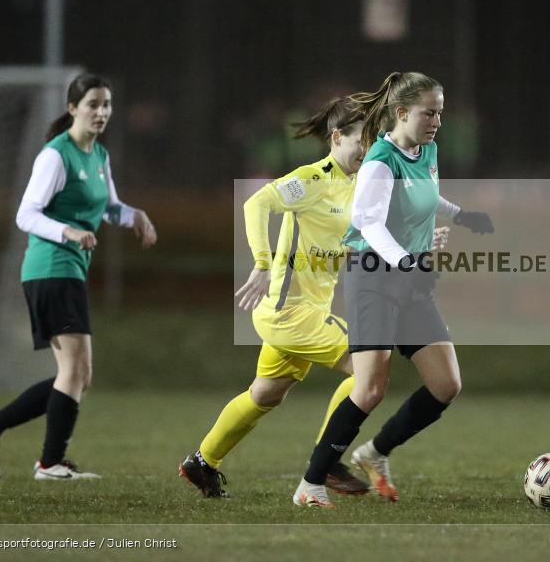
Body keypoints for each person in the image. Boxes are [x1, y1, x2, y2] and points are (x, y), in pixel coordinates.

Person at [178, 96, 450, 498]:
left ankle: (202, 462)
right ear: (337, 137)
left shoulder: (360, 183)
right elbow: (257, 203)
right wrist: (262, 260)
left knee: (265, 394)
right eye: (362, 139)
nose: (368, 148)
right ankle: (327, 463)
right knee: (367, 371)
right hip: (288, 311)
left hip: (307, 313)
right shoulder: (311, 179)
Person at [293, 72, 494, 508]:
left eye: (440, 111)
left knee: (446, 384)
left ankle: (375, 453)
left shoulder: (427, 149)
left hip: (411, 280)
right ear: (402, 112)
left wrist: (462, 216)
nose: (437, 120)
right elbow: (369, 224)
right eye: (429, 112)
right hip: (373, 277)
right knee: (369, 389)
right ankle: (309, 484)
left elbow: (426, 197)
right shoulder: (380, 161)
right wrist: (405, 260)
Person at [0, 73, 157, 480]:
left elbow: (108, 206)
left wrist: (134, 216)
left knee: (77, 375)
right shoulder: (56, 155)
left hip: (68, 270)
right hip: (51, 267)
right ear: (72, 108)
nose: (101, 112)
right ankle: (49, 463)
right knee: (76, 370)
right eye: (93, 104)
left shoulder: (98, 156)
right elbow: (26, 214)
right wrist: (67, 230)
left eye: (106, 104)